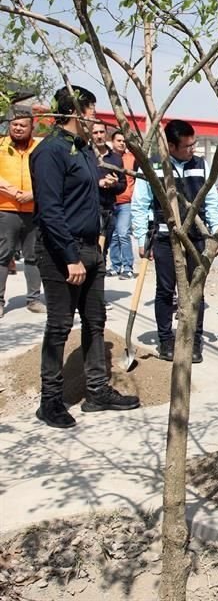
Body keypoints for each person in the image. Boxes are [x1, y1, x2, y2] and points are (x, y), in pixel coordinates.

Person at [30, 85, 140, 428]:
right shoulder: (50, 152)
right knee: (60, 325)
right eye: (91, 110)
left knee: (95, 322)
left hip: (92, 248)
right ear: (76, 111)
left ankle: (96, 392)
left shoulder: (84, 150)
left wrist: (103, 183)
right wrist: (69, 257)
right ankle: (50, 401)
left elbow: (83, 193)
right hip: (63, 251)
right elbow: (49, 210)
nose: (94, 115)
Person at [131, 119, 218, 363]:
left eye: (194, 144)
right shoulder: (153, 167)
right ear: (171, 146)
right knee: (165, 290)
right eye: (187, 146)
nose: (193, 149)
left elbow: (211, 201)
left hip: (195, 238)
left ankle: (194, 340)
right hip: (164, 238)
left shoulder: (201, 165)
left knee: (196, 292)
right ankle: (165, 340)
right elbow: (140, 204)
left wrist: (213, 233)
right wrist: (142, 237)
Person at [0, 113, 44, 317]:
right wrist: (12, 191)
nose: (18, 128)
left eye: (22, 126)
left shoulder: (39, 148)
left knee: (33, 257)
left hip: (33, 210)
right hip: (5, 209)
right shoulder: (1, 145)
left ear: (31, 128)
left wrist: (32, 195)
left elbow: (48, 176)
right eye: (14, 124)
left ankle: (34, 299)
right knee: (2, 256)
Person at [91, 122, 126, 280]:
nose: (98, 136)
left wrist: (114, 184)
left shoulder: (116, 159)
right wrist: (98, 183)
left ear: (106, 134)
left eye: (101, 132)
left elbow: (122, 185)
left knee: (102, 252)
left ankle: (97, 295)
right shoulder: (85, 154)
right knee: (87, 251)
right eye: (95, 132)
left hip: (107, 210)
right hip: (88, 209)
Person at [107, 131, 137, 278]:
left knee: (123, 233)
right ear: (112, 141)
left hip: (126, 202)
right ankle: (115, 266)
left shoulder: (132, 159)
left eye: (124, 141)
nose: (121, 143)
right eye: (118, 140)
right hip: (111, 202)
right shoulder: (106, 158)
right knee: (113, 235)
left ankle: (128, 267)